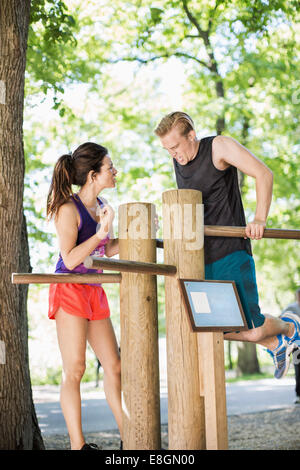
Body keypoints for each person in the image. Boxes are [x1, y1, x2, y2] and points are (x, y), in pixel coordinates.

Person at [154, 111, 300, 379]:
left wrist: (259, 218)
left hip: (231, 252)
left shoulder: (218, 146)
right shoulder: (179, 160)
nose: (173, 154)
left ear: (191, 135)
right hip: (199, 259)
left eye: (175, 146)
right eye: (167, 149)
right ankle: (274, 343)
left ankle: (289, 327)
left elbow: (264, 174)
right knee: (206, 325)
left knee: (252, 327)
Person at [46, 142, 122, 450]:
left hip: (94, 290)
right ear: (93, 175)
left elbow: (104, 250)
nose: (115, 171)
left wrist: (134, 237)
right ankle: (79, 446)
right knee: (76, 367)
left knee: (114, 365)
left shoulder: (101, 204)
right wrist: (102, 234)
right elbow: (72, 257)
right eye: (110, 167)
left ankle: (129, 435)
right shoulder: (68, 208)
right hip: (70, 290)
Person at [281, 288, 300, 403]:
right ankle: (298, 395)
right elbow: (281, 320)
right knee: (299, 370)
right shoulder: (291, 308)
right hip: (297, 345)